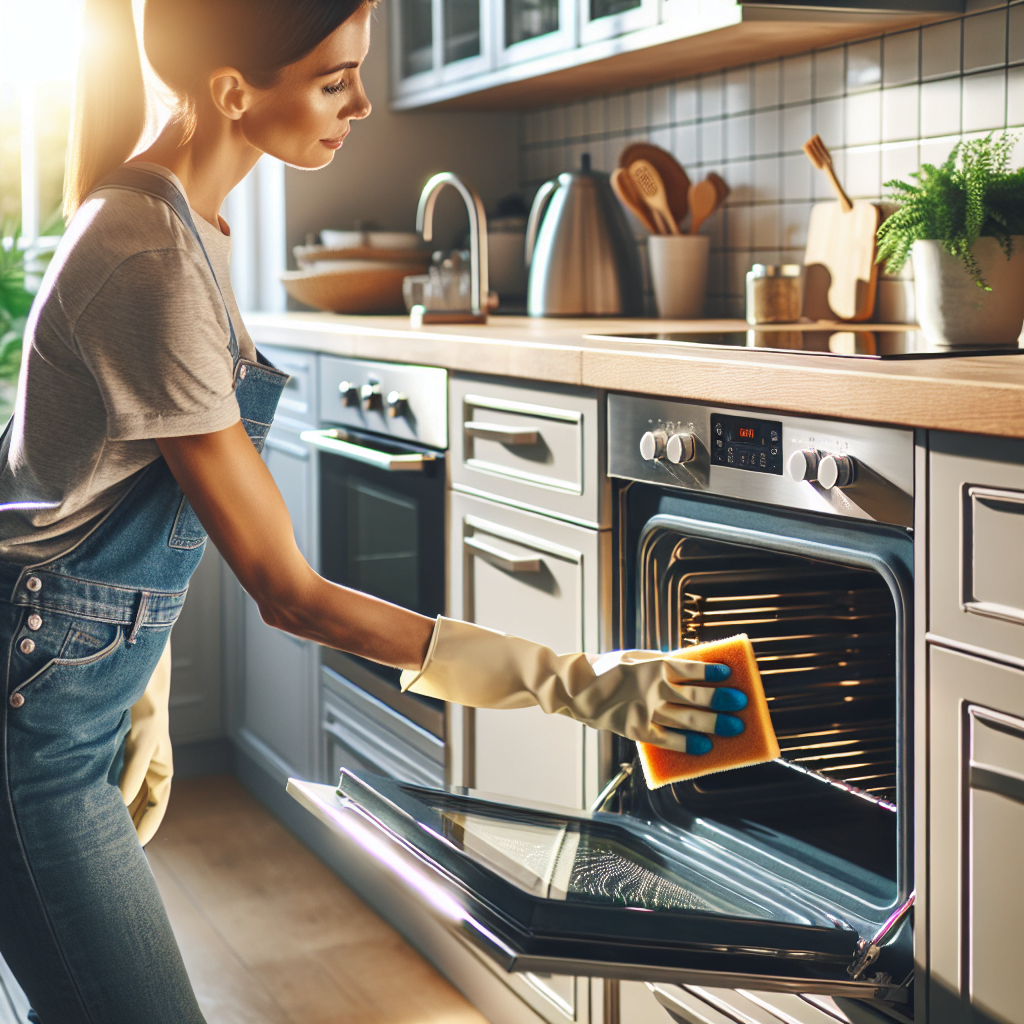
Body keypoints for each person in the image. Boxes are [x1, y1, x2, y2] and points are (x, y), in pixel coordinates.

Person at [0, 0, 747, 1020]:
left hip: (57, 680)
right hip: (30, 720)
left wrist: (140, 684)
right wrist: (574, 683)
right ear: (232, 91)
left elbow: (110, 492)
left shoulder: (186, 220)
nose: (361, 101)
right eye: (332, 77)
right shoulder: (154, 253)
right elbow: (288, 593)